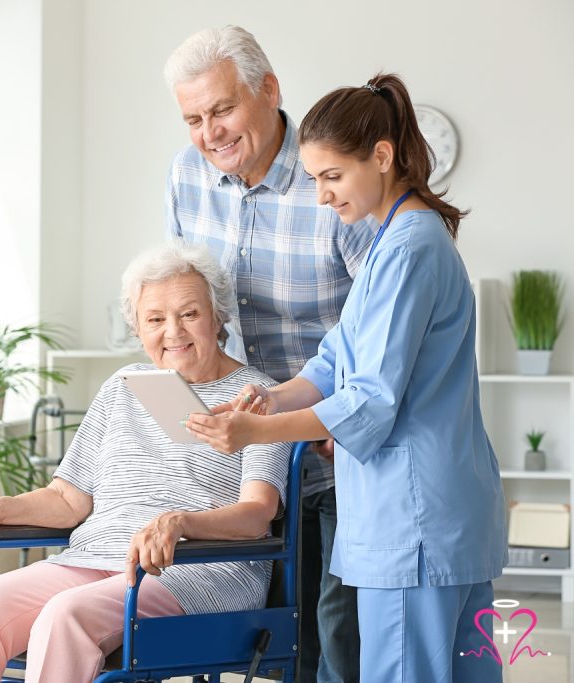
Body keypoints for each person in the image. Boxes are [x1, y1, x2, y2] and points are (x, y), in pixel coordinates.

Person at [185, 73, 508, 682]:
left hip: (413, 520)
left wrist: (259, 431)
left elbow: (368, 401)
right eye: (313, 180)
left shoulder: (409, 247)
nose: (323, 197)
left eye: (332, 177)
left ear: (381, 157)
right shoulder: (393, 240)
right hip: (440, 516)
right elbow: (336, 358)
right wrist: (271, 397)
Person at [0, 244, 292, 683]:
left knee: (65, 615)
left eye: (189, 314)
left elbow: (257, 515)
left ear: (219, 318)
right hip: (95, 558)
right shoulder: (123, 388)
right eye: (155, 319)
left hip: (197, 569)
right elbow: (68, 498)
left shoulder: (260, 398)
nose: (173, 331)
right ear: (137, 328)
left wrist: (181, 523)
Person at [163, 25, 371, 683]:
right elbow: (185, 300)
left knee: (338, 638)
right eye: (194, 118)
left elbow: (386, 316)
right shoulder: (187, 175)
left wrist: (341, 415)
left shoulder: (330, 179)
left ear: (270, 90)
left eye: (222, 108)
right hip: (244, 461)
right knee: (269, 641)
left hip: (334, 448)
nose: (210, 132)